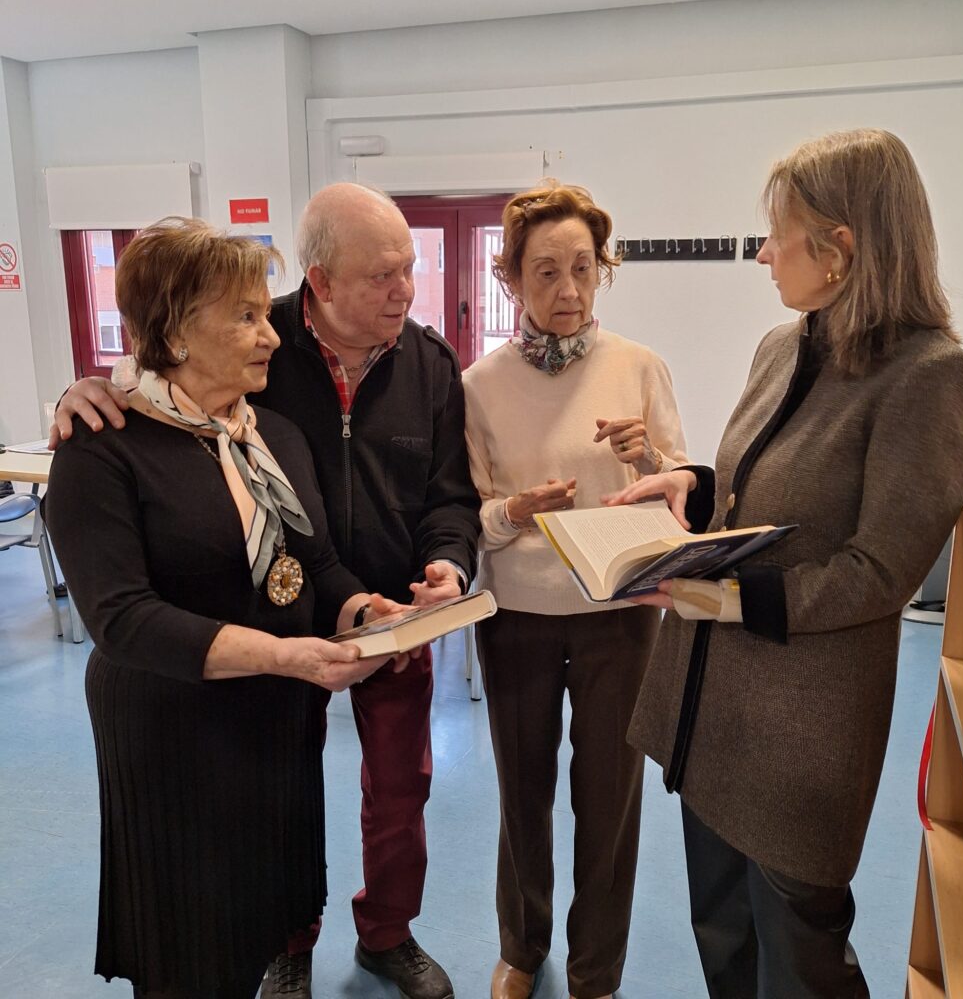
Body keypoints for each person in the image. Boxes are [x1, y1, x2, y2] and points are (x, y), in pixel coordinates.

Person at [50, 185, 481, 999]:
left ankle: (370, 934)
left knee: (312, 842)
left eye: (409, 269)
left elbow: (320, 554)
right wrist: (89, 383)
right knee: (191, 941)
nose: (268, 335)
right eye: (382, 274)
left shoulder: (277, 427)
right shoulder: (113, 443)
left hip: (312, 668)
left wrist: (371, 604)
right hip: (184, 719)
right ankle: (286, 950)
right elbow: (122, 615)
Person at [607, 128, 963, 997]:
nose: (762, 255)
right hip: (713, 712)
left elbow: (877, 573)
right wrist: (695, 483)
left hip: (802, 733)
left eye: (775, 236)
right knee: (724, 939)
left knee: (801, 959)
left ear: (840, 249)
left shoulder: (933, 378)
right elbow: (770, 495)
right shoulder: (784, 345)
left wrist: (730, 600)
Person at [462, 181, 690, 999]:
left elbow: (682, 492)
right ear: (511, 279)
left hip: (619, 614)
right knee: (521, 796)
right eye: (547, 272)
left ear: (603, 270)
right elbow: (471, 514)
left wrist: (651, 461)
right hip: (516, 616)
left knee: (610, 801)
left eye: (584, 269)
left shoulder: (639, 367)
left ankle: (597, 968)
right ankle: (522, 949)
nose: (569, 290)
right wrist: (513, 511)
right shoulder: (480, 384)